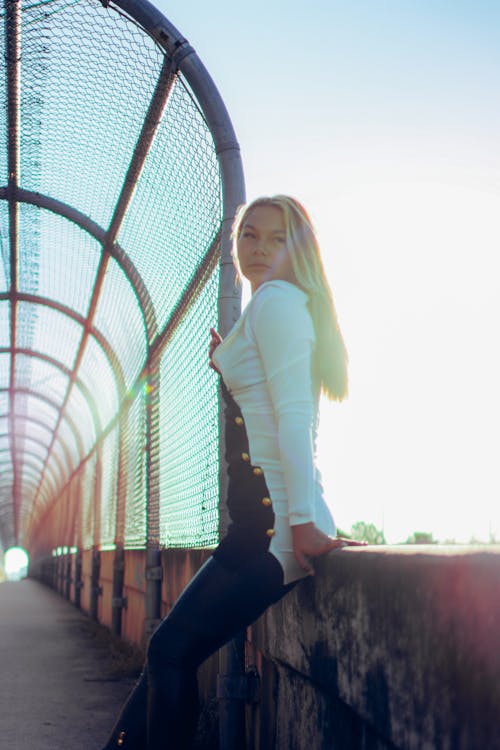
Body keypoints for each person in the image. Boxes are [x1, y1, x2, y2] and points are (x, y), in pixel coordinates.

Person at [101, 195, 363, 750]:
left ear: (300, 249)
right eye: (249, 235)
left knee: (170, 652)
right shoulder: (274, 308)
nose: (260, 248)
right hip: (259, 527)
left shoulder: (276, 303)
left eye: (276, 237)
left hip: (275, 530)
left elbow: (294, 418)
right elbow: (268, 404)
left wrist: (301, 526)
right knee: (167, 654)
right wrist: (231, 358)